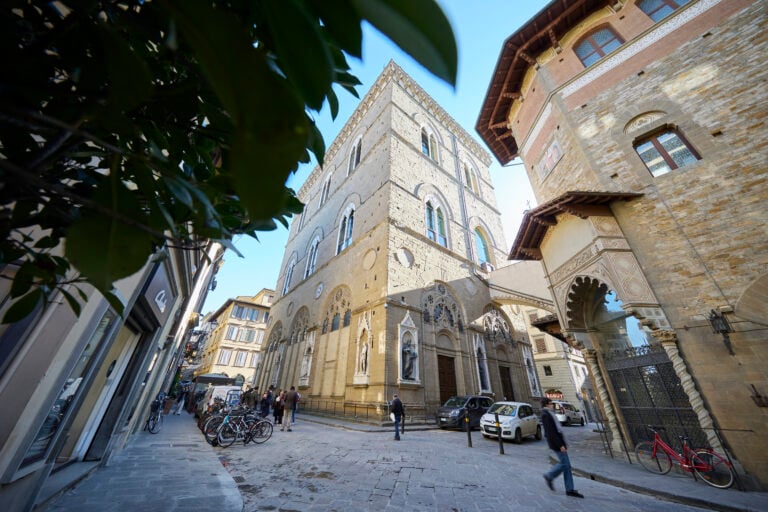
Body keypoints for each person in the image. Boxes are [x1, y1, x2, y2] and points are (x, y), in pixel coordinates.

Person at [541, 397, 584, 498]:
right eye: (551, 403)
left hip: (559, 442)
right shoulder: (545, 415)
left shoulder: (549, 414)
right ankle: (550, 476)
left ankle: (569, 489)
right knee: (565, 464)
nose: (552, 405)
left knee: (567, 466)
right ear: (546, 404)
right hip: (557, 444)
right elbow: (551, 432)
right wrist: (560, 445)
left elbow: (556, 429)